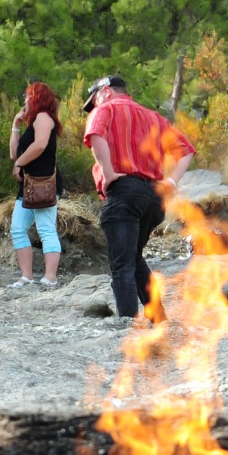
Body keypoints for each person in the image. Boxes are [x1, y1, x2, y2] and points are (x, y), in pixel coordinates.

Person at [82, 75, 195, 324]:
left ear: (106, 91)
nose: (93, 108)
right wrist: (171, 182)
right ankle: (159, 318)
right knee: (133, 257)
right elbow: (186, 150)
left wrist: (109, 173)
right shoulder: (153, 116)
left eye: (94, 101)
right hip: (154, 198)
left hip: (125, 193)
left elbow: (95, 137)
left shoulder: (106, 109)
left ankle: (127, 325)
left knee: (121, 264)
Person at [6, 80, 63, 288]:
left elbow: (39, 146)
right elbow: (14, 154)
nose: (25, 99)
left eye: (28, 95)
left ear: (37, 98)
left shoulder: (44, 118)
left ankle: (50, 277)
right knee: (18, 229)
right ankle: (26, 276)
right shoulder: (33, 122)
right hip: (28, 186)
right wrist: (15, 126)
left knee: (46, 228)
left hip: (44, 184)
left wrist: (20, 163)